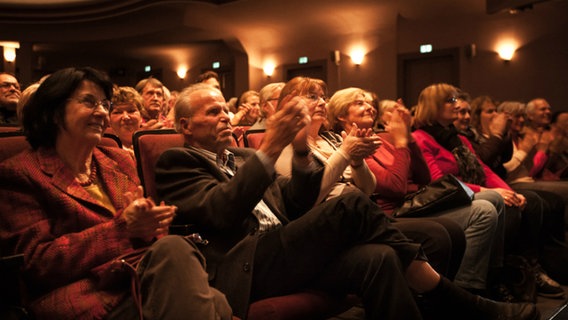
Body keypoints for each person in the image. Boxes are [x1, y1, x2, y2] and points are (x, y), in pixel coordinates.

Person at [155, 82, 538, 320]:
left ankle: (448, 300)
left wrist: (303, 150)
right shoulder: (176, 161)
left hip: (285, 249)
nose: (225, 115)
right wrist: (273, 146)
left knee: (379, 258)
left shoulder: (241, 158)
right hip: (246, 265)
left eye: (225, 108)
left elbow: (298, 204)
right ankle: (456, 300)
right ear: (185, 126)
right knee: (350, 203)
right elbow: (223, 212)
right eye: (213, 111)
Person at [0, 67, 232, 320]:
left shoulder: (118, 159)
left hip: (136, 276)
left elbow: (148, 240)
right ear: (54, 112)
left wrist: (151, 226)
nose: (102, 112)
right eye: (89, 102)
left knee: (200, 281)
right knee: (211, 299)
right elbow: (36, 264)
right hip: (85, 294)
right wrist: (123, 229)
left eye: (105, 104)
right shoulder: (20, 173)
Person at [274, 81, 466, 281]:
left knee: (453, 231)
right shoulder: (290, 148)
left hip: (365, 212)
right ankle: (431, 300)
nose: (322, 102)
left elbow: (367, 188)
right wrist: (345, 153)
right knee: (436, 236)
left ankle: (434, 299)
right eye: (313, 97)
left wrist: (357, 162)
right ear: (289, 103)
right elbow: (306, 198)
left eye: (323, 97)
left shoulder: (331, 139)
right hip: (336, 225)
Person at [326, 87, 503, 297]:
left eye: (368, 102)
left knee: (493, 199)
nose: (369, 107)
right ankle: (466, 291)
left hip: (414, 202)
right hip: (393, 212)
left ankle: (485, 284)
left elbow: (424, 179)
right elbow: (395, 186)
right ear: (340, 115)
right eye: (359, 103)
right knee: (482, 211)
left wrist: (407, 138)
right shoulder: (351, 144)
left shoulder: (383, 138)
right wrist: (401, 144)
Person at [412, 83, 562, 300]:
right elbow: (439, 181)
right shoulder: (421, 138)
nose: (456, 104)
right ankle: (497, 277)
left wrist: (509, 190)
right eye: (450, 100)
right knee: (499, 202)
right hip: (447, 197)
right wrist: (487, 190)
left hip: (470, 191)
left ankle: (529, 268)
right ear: (433, 105)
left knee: (529, 201)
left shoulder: (458, 138)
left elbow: (483, 169)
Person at [109, 86, 144, 153]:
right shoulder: (104, 151)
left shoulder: (152, 147)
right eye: (118, 112)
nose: (126, 117)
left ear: (141, 116)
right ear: (108, 119)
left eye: (131, 111)